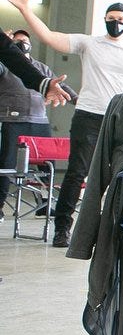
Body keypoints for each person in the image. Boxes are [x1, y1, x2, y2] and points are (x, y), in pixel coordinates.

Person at [5, 0, 123, 247]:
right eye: (111, 17)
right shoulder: (89, 43)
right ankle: (63, 228)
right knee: (77, 173)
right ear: (105, 19)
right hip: (88, 116)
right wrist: (25, 9)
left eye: (120, 19)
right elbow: (51, 38)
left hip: (120, 118)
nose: (115, 22)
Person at [0, 31, 58, 215]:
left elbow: (57, 85)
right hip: (12, 120)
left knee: (47, 166)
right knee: (6, 165)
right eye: (16, 41)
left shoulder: (41, 68)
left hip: (39, 123)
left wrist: (79, 101)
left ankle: (44, 204)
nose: (21, 43)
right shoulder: (4, 66)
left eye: (25, 40)